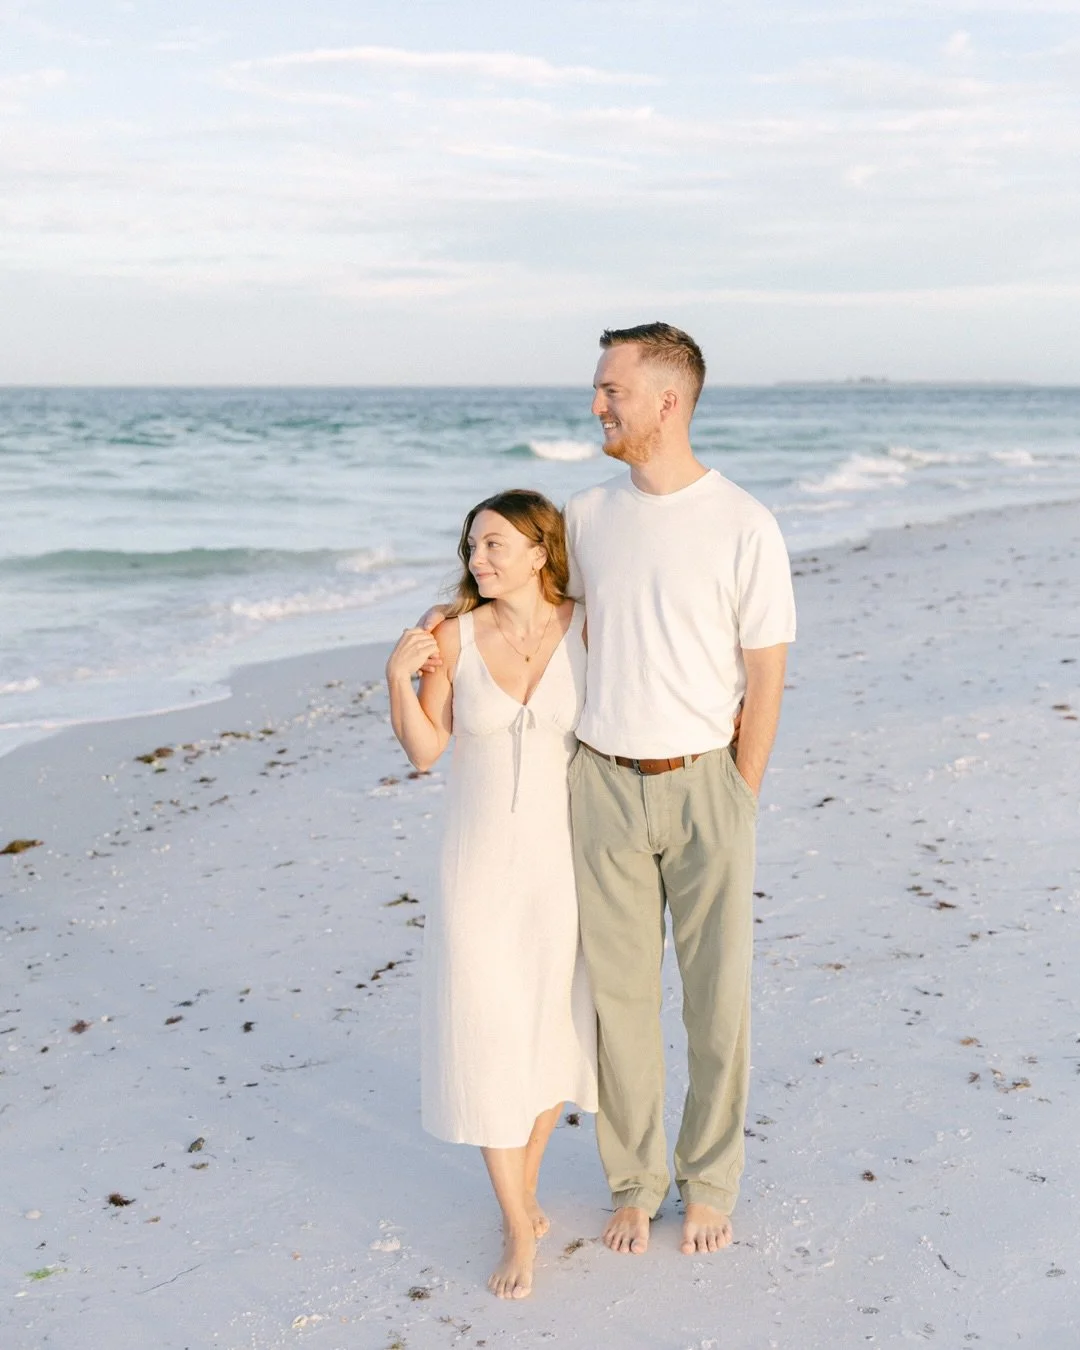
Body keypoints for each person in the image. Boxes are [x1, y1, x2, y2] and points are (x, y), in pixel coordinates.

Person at [564, 322, 796, 1258]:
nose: (597, 406)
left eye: (612, 390)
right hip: (602, 785)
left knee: (715, 1001)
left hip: (706, 784)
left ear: (668, 399)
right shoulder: (583, 516)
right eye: (598, 388)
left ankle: (709, 1181)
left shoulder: (745, 522)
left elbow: (767, 676)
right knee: (619, 1003)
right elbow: (536, 629)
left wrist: (738, 793)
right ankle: (633, 1179)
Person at [385, 489, 598, 1301]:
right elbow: (426, 752)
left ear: (541, 552)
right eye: (473, 545)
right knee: (486, 1033)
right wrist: (398, 679)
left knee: (549, 1030)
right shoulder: (450, 634)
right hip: (476, 867)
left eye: (496, 544)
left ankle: (526, 1187)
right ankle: (516, 1223)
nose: (479, 559)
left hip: (564, 864)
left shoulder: (588, 624)